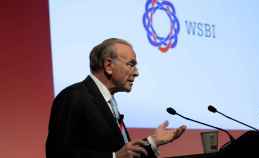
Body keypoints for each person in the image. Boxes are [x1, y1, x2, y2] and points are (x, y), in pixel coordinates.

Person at [46, 38, 187, 158]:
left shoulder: (109, 102)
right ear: (108, 66)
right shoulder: (73, 96)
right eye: (131, 64)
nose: (136, 73)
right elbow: (58, 154)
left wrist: (153, 142)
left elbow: (124, 153)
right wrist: (114, 157)